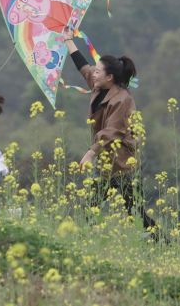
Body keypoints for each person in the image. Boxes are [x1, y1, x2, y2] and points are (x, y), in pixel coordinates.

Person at [63, 29, 156, 234]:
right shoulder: (99, 87)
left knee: (135, 212)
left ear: (110, 77)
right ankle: (82, 238)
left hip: (121, 164)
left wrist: (89, 154)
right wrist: (68, 40)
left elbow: (111, 131)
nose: (93, 73)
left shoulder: (122, 99)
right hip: (106, 162)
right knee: (94, 206)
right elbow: (83, 68)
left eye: (98, 71)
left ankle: (162, 242)